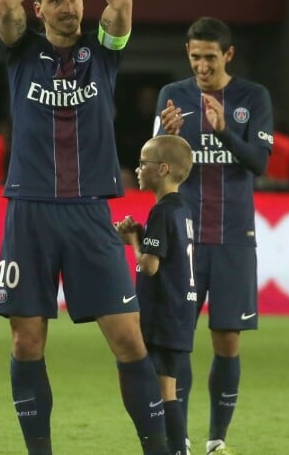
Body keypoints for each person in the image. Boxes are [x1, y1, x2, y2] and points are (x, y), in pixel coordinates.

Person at [0, 0, 169, 455]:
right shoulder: (22, 52)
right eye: (58, 0)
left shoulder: (104, 52)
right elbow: (3, 1)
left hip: (92, 209)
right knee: (26, 341)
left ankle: (157, 449)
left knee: (128, 340)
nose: (71, 6)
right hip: (30, 210)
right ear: (40, 11)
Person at [154, 17, 274, 454]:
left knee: (227, 339)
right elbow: (155, 167)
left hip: (232, 237)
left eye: (209, 57)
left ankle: (217, 439)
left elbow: (259, 163)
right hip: (183, 238)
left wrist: (223, 129)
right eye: (194, 57)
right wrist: (166, 138)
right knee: (177, 340)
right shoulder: (173, 96)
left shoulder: (252, 98)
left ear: (228, 55)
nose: (201, 66)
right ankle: (180, 437)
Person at [114, 134, 196, 455]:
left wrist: (134, 238)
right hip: (181, 311)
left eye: (143, 163)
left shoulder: (162, 212)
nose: (137, 169)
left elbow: (149, 266)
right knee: (169, 390)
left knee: (161, 391)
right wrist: (138, 237)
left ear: (162, 169)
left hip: (163, 311)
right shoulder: (183, 210)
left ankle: (173, 449)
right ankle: (179, 449)